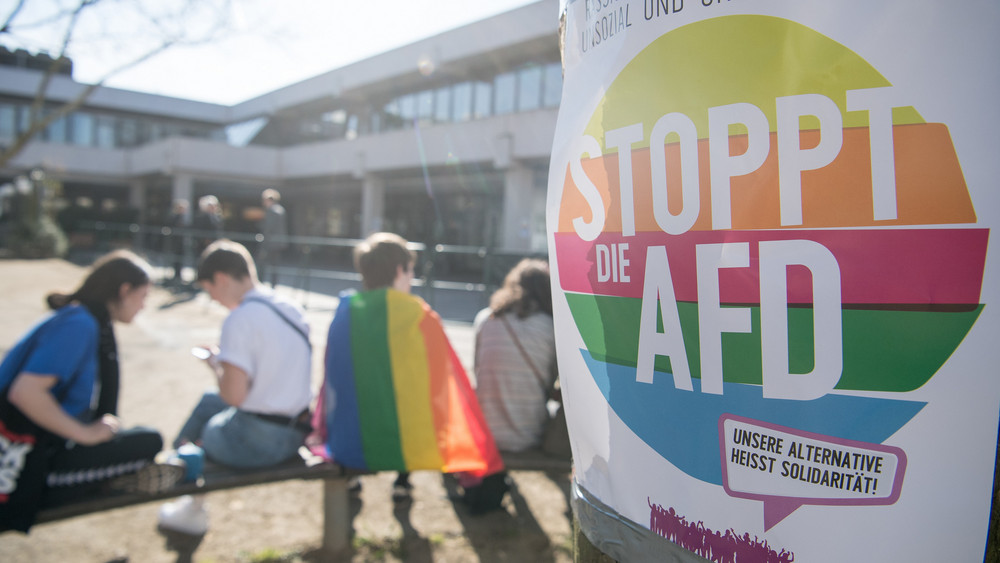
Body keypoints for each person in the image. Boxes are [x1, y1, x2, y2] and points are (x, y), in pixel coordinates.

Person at [312, 232, 506, 512]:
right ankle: (402, 481)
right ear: (401, 270)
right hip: (413, 443)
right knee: (413, 405)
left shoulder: (345, 312)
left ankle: (354, 480)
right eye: (411, 270)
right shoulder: (420, 315)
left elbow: (331, 382)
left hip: (351, 442)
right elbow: (448, 385)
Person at [0, 250, 182, 533]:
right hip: (25, 457)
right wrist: (84, 433)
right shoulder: (79, 324)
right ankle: (109, 479)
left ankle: (109, 476)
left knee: (138, 439)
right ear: (124, 290)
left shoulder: (81, 318)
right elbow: (25, 392)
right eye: (143, 296)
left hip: (39, 445)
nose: (144, 306)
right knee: (148, 442)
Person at [158, 239, 313, 535]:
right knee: (207, 402)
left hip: (257, 442)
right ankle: (185, 494)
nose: (213, 299)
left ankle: (183, 489)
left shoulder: (239, 319)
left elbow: (233, 395)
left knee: (198, 428)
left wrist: (217, 365)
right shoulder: (290, 309)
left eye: (210, 290)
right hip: (296, 431)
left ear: (221, 278)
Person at [472, 258, 558, 453]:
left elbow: (478, 368)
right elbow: (551, 380)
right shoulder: (550, 327)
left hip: (486, 430)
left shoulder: (485, 319)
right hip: (530, 434)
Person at [258, 188, 288, 287]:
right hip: (278, 243)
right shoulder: (280, 209)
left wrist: (264, 241)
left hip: (270, 243)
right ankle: (273, 285)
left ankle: (261, 284)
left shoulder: (272, 211)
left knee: (263, 264)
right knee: (274, 265)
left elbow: (269, 228)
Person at [166, 198, 190, 285]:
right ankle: (176, 276)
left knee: (181, 259)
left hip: (181, 241)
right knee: (176, 259)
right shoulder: (175, 217)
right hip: (176, 242)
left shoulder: (182, 217)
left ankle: (179, 275)